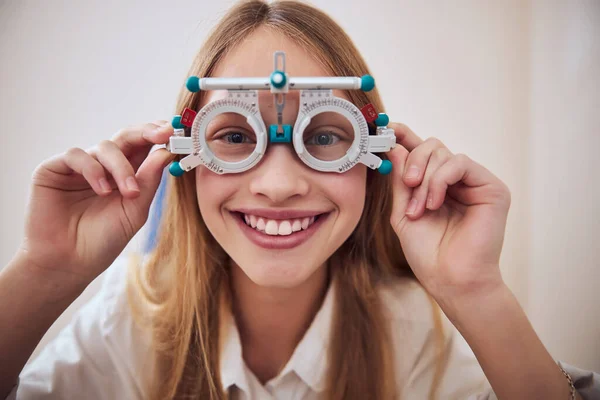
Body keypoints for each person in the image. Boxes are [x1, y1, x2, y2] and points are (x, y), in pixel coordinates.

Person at [0, 1, 597, 399]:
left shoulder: (413, 334)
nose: (279, 183)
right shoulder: (128, 319)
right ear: (183, 153)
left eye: (324, 136)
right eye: (235, 136)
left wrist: (477, 292)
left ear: (377, 155)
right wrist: (43, 273)